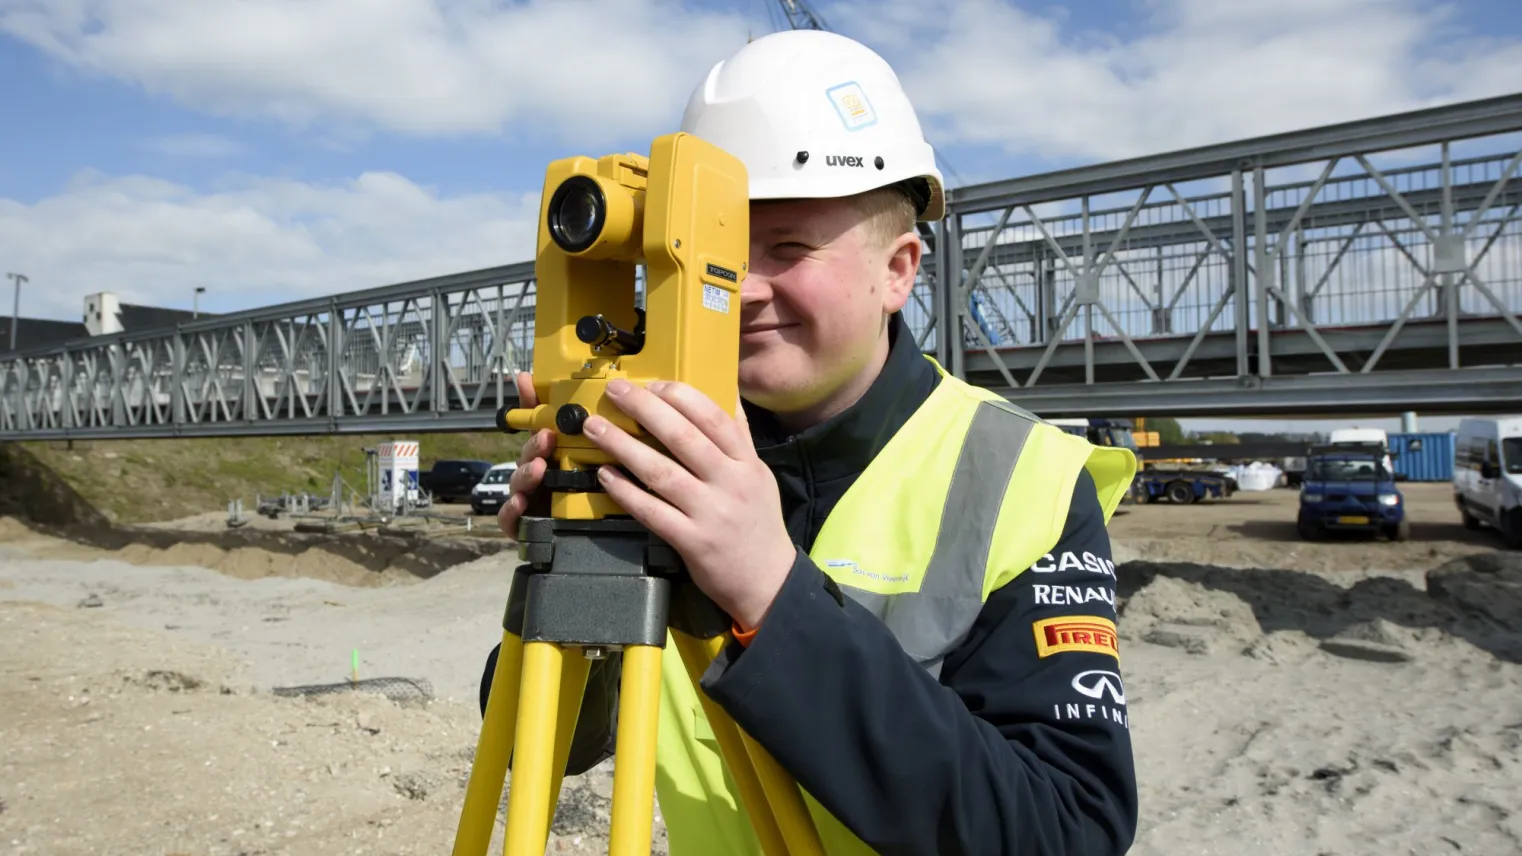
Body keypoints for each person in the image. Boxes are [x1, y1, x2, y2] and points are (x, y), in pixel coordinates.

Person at [479, 28, 1140, 856]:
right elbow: (546, 750)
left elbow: (1066, 831)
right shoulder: (661, 455)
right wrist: (575, 556)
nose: (744, 288)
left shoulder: (1019, 477)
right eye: (717, 247)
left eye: (789, 246)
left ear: (899, 269)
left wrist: (773, 593)